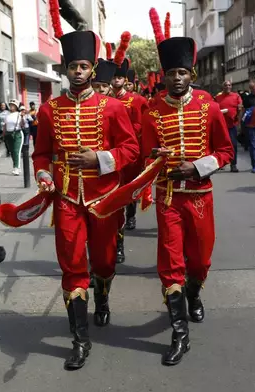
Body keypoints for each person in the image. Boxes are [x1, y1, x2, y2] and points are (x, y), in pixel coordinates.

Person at [33, 1, 139, 370]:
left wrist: (101, 159)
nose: (77, 72)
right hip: (66, 199)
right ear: (64, 69)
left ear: (92, 69)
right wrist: (44, 175)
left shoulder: (113, 108)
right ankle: (80, 340)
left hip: (104, 199)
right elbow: (41, 153)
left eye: (83, 66)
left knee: (105, 260)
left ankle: (104, 296)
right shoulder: (49, 109)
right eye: (72, 66)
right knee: (72, 264)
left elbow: (130, 148)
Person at [141, 32, 233, 366]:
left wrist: (196, 167)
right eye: (171, 73)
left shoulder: (208, 105)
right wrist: (156, 157)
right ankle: (180, 334)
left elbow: (225, 151)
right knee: (171, 265)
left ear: (190, 75)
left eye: (182, 73)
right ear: (163, 76)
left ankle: (194, 293)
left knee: (201, 261)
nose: (176, 79)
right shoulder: (151, 111)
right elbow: (144, 156)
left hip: (200, 197)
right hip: (168, 200)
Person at [109, 32, 148, 263]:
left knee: (128, 197)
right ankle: (118, 244)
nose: (115, 82)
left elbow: (141, 127)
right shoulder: (104, 100)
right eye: (112, 78)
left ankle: (131, 215)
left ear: (125, 80)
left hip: (129, 156)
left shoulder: (137, 101)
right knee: (113, 205)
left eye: (118, 79)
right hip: (108, 158)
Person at [215, 80, 244, 172]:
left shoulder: (236, 96)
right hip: (220, 126)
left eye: (229, 85)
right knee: (220, 146)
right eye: (226, 85)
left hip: (232, 125)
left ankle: (233, 164)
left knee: (233, 145)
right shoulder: (218, 97)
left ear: (231, 86)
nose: (227, 86)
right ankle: (221, 163)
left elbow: (240, 109)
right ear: (222, 87)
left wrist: (239, 121)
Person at [3, 99, 26, 175]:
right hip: (8, 135)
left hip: (17, 134)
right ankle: (17, 167)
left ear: (16, 106)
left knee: (16, 151)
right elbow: (5, 125)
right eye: (10, 105)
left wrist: (22, 117)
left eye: (13, 105)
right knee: (12, 152)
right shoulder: (7, 115)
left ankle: (16, 168)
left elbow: (23, 125)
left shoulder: (19, 114)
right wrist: (3, 135)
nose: (11, 106)